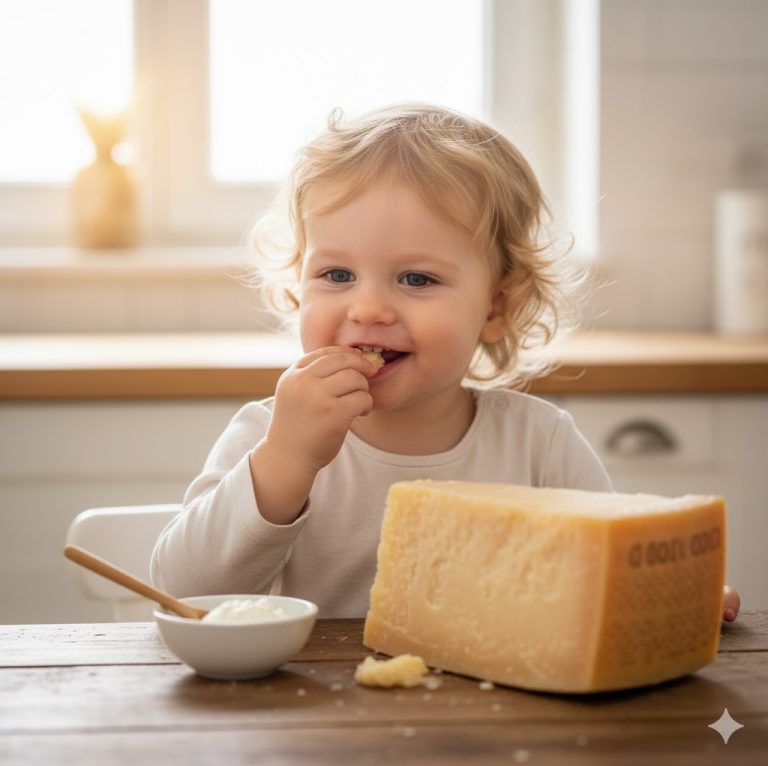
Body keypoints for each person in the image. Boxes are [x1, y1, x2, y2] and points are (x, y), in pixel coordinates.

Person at [151, 103, 740, 622]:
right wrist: (285, 461)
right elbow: (182, 592)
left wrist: (671, 595)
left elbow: (610, 569)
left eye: (416, 278)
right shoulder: (268, 433)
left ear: (495, 306)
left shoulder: (538, 443)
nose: (369, 307)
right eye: (336, 274)